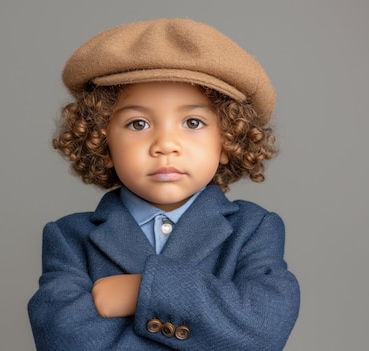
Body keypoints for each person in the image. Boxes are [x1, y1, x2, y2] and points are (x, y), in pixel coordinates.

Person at [28, 18, 300, 350]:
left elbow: (263, 330)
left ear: (228, 140)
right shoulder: (70, 238)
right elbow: (64, 339)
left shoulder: (254, 229)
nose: (165, 144)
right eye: (138, 123)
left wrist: (143, 291)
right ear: (102, 141)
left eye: (193, 122)